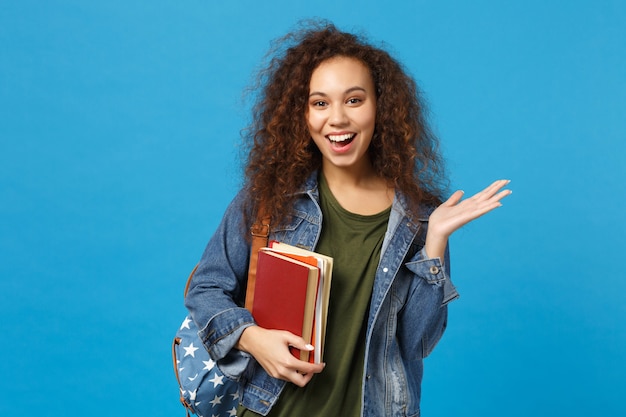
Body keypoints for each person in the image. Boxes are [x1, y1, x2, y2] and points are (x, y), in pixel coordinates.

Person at [185, 21, 511, 417]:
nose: (336, 118)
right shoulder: (269, 198)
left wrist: (436, 242)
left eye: (354, 100)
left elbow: (416, 343)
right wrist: (253, 339)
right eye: (319, 103)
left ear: (381, 108)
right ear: (301, 114)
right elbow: (206, 288)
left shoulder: (419, 218)